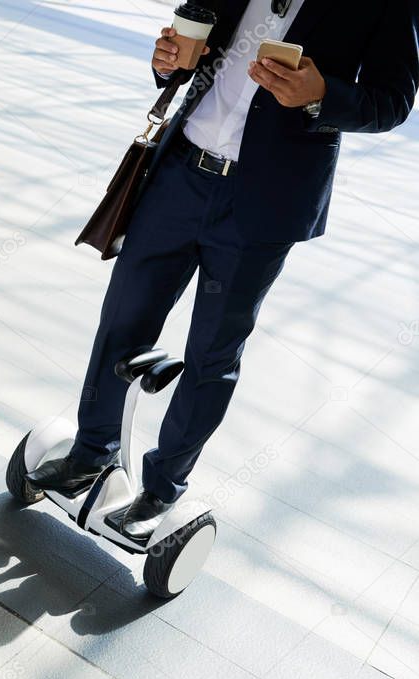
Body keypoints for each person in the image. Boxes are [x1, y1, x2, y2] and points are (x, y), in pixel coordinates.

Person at [26, 0, 419, 538]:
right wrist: (167, 61)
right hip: (178, 174)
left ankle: (162, 488)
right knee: (123, 319)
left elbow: (392, 101)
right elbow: (189, 49)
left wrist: (322, 94)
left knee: (212, 350)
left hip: (263, 201)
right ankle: (92, 450)